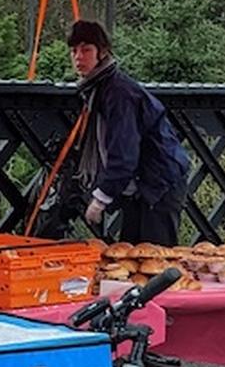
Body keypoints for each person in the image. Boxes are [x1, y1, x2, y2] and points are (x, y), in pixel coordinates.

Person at [63, 20, 189, 245]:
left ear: (102, 52)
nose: (78, 57)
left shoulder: (118, 93)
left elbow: (124, 152)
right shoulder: (100, 88)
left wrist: (101, 199)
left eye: (86, 49)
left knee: (155, 261)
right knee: (131, 256)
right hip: (143, 184)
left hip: (158, 183)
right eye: (74, 51)